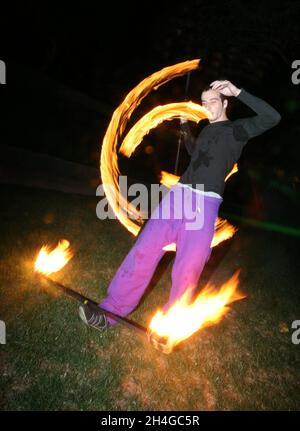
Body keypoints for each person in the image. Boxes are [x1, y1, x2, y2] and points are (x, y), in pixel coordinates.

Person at [79, 80, 281, 331]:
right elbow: (195, 151)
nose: (208, 107)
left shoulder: (237, 130)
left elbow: (272, 117)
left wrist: (238, 90)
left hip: (205, 204)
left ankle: (170, 325)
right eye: (205, 102)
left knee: (189, 265)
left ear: (226, 102)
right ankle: (110, 312)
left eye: (213, 101)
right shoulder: (207, 130)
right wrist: (186, 126)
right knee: (144, 249)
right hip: (179, 197)